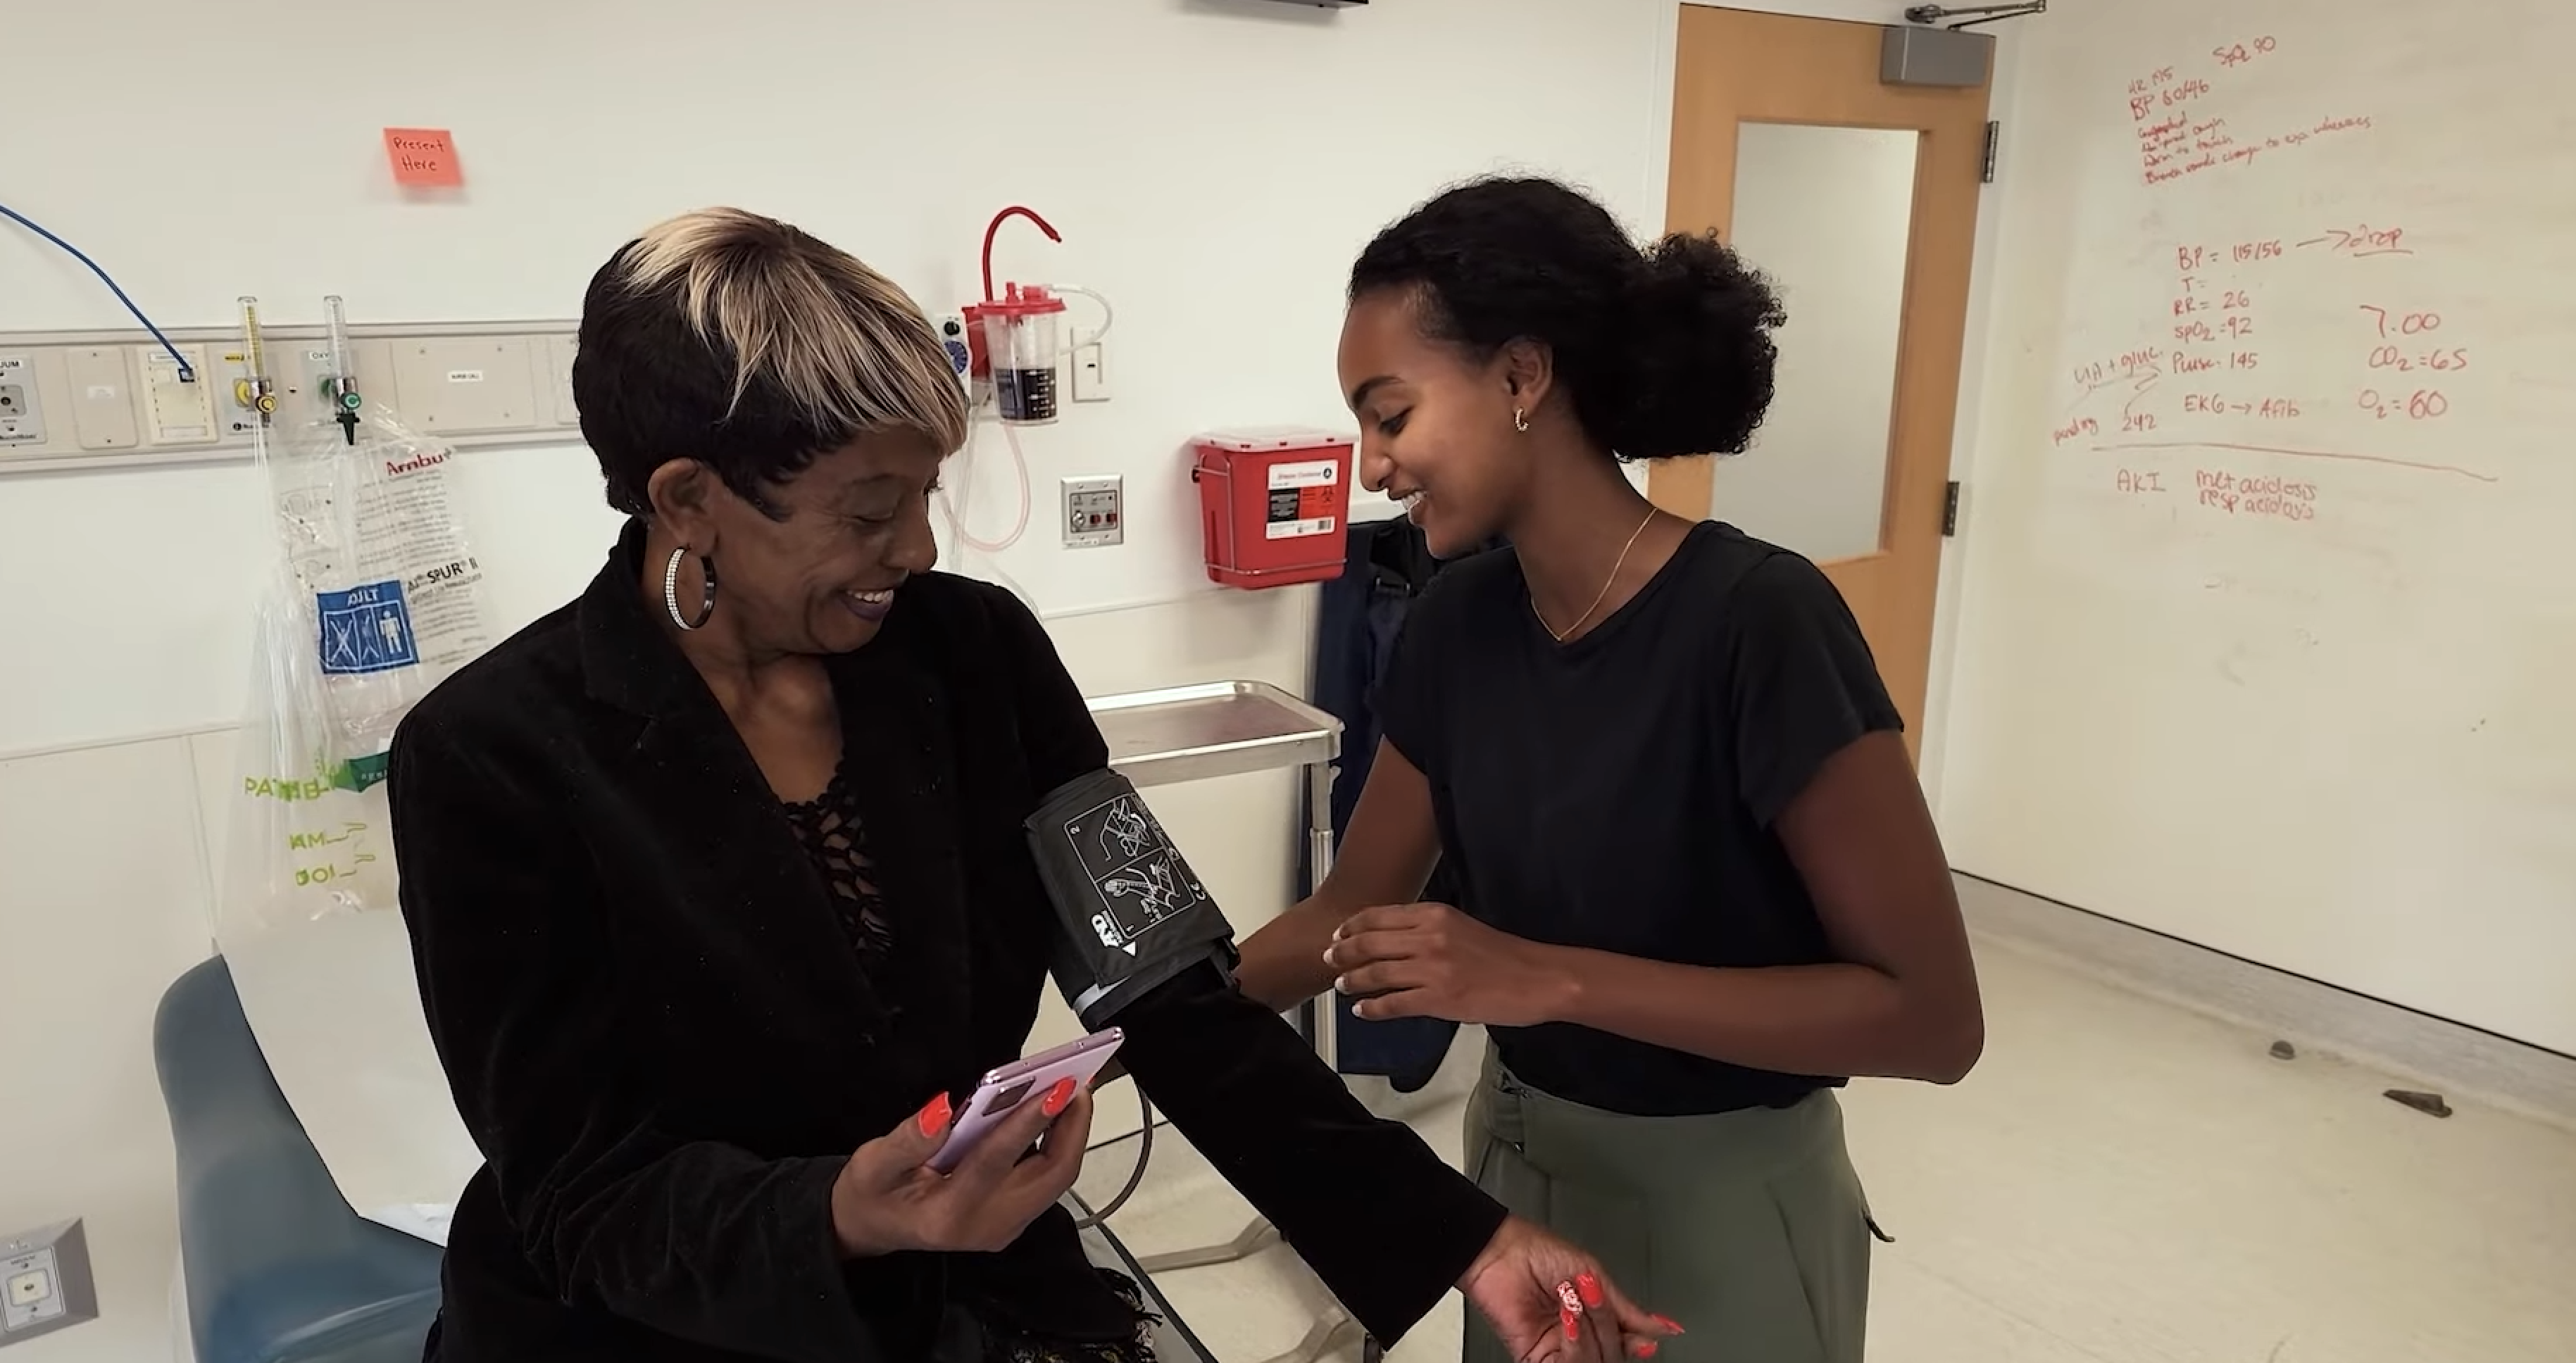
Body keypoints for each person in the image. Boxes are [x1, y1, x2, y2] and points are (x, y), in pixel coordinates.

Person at [387, 208, 1675, 1363]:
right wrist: (840, 1210)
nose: (917, 546)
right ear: (688, 499)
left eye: (927, 492)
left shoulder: (975, 657)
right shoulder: (497, 755)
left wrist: (1466, 1242)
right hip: (646, 1328)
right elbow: (580, 1192)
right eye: (864, 509)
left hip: (953, 1296)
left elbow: (1175, 994)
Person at [1233, 177, 1987, 1363]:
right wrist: (1124, 1046)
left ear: (1522, 377)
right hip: (1518, 1193)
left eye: (1389, 414)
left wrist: (1548, 980)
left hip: (1723, 1203)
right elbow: (1348, 911)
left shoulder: (1757, 622)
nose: (1371, 467)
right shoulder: (1456, 625)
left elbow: (1933, 1022)